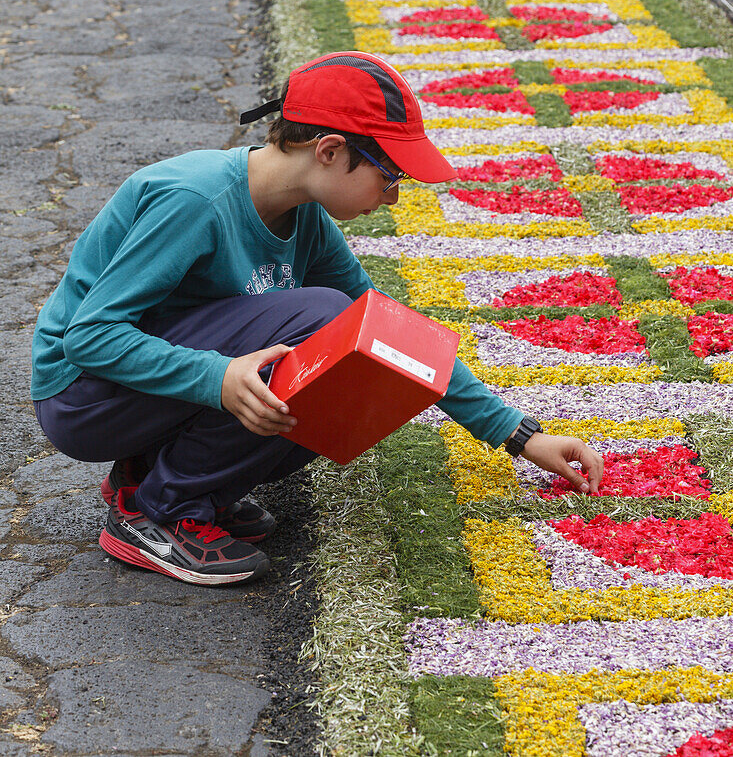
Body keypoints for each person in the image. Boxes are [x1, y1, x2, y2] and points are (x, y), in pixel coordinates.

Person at [31, 51, 603, 587]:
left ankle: (148, 475)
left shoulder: (308, 221)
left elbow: (389, 331)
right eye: (390, 174)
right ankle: (160, 513)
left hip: (143, 389)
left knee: (355, 377)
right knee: (323, 318)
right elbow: (90, 337)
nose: (394, 196)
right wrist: (217, 378)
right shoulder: (196, 200)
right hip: (84, 398)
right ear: (329, 150)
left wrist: (519, 435)